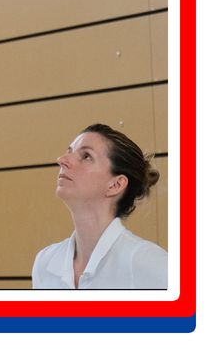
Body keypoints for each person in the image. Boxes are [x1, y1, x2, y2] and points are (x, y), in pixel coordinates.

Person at [32, 123, 167, 289]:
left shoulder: (150, 264)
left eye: (86, 156)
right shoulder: (44, 263)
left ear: (115, 185)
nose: (62, 160)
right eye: (69, 151)